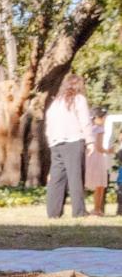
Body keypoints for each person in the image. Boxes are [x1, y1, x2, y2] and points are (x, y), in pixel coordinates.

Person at [46, 73, 93, 219]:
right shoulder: (79, 100)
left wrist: (51, 141)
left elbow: (48, 125)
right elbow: (85, 121)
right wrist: (90, 141)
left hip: (56, 143)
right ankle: (79, 212)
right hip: (73, 140)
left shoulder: (55, 103)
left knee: (56, 179)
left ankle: (53, 212)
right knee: (75, 177)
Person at [93, 109, 116, 217]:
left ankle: (97, 209)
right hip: (98, 159)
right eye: (104, 118)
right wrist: (109, 151)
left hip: (93, 158)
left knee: (98, 185)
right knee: (100, 185)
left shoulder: (90, 128)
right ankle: (97, 209)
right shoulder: (99, 129)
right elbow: (99, 147)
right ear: (99, 118)